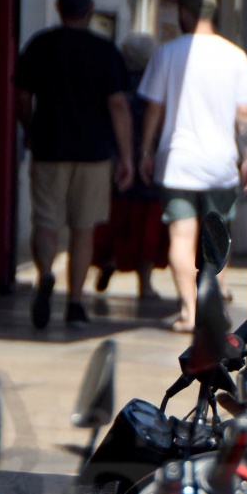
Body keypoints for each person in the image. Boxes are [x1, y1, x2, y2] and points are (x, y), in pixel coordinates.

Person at [16, 0, 135, 329]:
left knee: (46, 221)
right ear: (90, 10)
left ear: (57, 5)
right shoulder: (104, 51)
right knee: (83, 229)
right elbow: (118, 105)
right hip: (93, 152)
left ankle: (45, 275)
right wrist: (126, 155)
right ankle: (76, 302)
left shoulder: (39, 45)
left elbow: (23, 97)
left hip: (48, 147)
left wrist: (30, 129)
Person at [139, 0, 247, 333]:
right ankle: (211, 305)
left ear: (186, 14)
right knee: (216, 240)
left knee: (181, 237)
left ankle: (190, 311)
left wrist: (145, 151)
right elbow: (245, 114)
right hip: (220, 163)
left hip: (177, 162)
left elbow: (153, 108)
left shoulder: (168, 53)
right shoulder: (235, 55)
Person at [94, 33, 168, 304]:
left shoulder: (118, 83)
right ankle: (145, 285)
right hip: (149, 165)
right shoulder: (156, 87)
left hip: (119, 163)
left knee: (118, 219)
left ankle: (109, 261)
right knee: (148, 226)